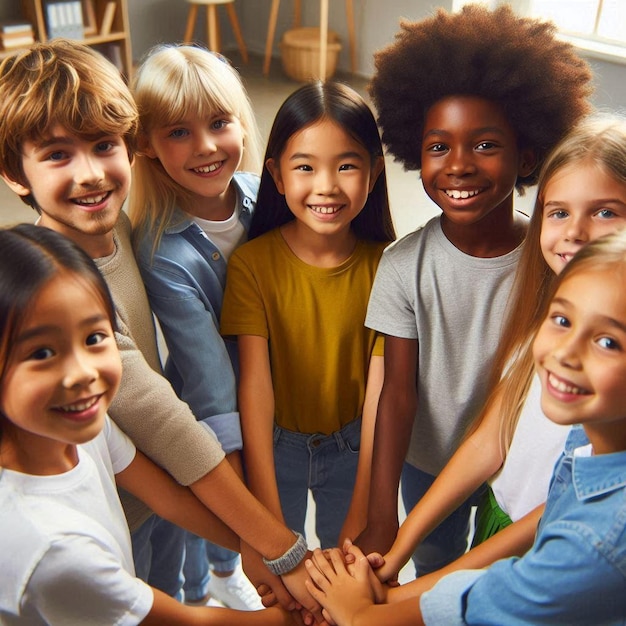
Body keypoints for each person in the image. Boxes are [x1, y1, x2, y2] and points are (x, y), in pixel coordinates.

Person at [0, 39, 322, 623]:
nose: (91, 174)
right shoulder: (61, 288)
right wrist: (278, 547)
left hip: (146, 487)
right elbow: (167, 422)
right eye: (57, 156)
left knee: (172, 579)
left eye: (104, 146)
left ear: (130, 146)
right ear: (13, 174)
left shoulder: (120, 226)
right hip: (103, 508)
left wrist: (250, 544)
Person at [356, 4, 593, 574]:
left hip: (513, 461)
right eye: (439, 147)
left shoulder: (553, 258)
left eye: (485, 145)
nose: (458, 165)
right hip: (428, 461)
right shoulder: (402, 265)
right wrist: (382, 506)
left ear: (527, 155)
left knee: (491, 573)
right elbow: (397, 393)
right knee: (434, 566)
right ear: (418, 153)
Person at [303, 226, 626, 626]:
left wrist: (358, 613)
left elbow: (494, 600)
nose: (566, 352)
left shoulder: (596, 542)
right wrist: (383, 594)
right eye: (560, 319)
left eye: (609, 342)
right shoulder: (588, 438)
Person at [373, 113, 626, 581]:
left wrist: (413, 594)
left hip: (549, 543)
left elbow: (562, 501)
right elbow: (491, 439)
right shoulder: (546, 317)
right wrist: (399, 551)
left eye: (606, 212)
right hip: (500, 511)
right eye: (559, 211)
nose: (574, 232)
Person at [0, 224, 294, 626]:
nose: (83, 373)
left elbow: (167, 499)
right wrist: (308, 611)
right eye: (43, 352)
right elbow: (186, 622)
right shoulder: (49, 548)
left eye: (93, 337)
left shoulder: (81, 427)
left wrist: (261, 554)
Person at [221, 81, 396, 550]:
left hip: (357, 449)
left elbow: (382, 392)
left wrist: (363, 504)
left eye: (346, 165)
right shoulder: (251, 265)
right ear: (277, 176)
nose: (326, 186)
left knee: (347, 568)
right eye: (305, 167)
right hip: (275, 450)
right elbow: (254, 388)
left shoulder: (390, 266)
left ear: (375, 172)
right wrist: (268, 516)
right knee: (288, 583)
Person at [130, 43, 262, 610]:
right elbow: (212, 386)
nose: (206, 147)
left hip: (276, 393)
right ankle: (205, 585)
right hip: (212, 410)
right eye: (178, 132)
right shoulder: (161, 251)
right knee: (202, 510)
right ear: (149, 147)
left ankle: (226, 569)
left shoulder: (271, 198)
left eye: (218, 123)